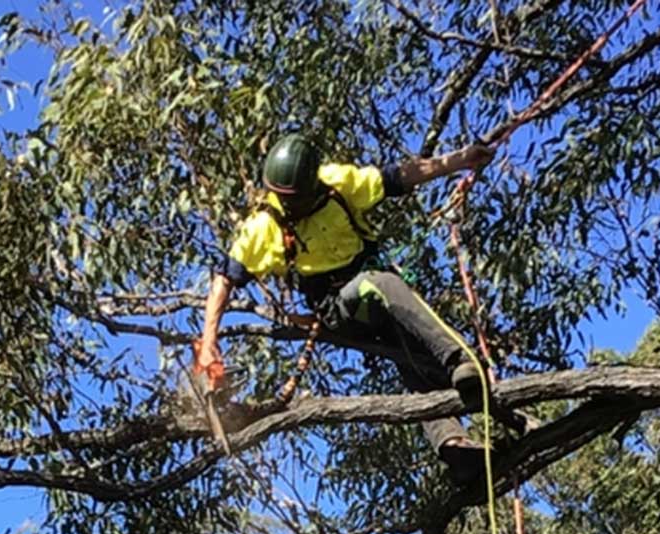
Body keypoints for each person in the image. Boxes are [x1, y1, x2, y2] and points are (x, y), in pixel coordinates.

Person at [195, 133, 493, 483]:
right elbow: (225, 279)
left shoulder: (338, 184)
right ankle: (459, 359)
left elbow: (400, 176)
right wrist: (208, 342)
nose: (286, 205)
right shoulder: (267, 225)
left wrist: (462, 159)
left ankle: (455, 447)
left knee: (411, 352)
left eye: (294, 199)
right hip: (339, 307)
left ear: (312, 186)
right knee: (380, 284)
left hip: (377, 297)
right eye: (281, 198)